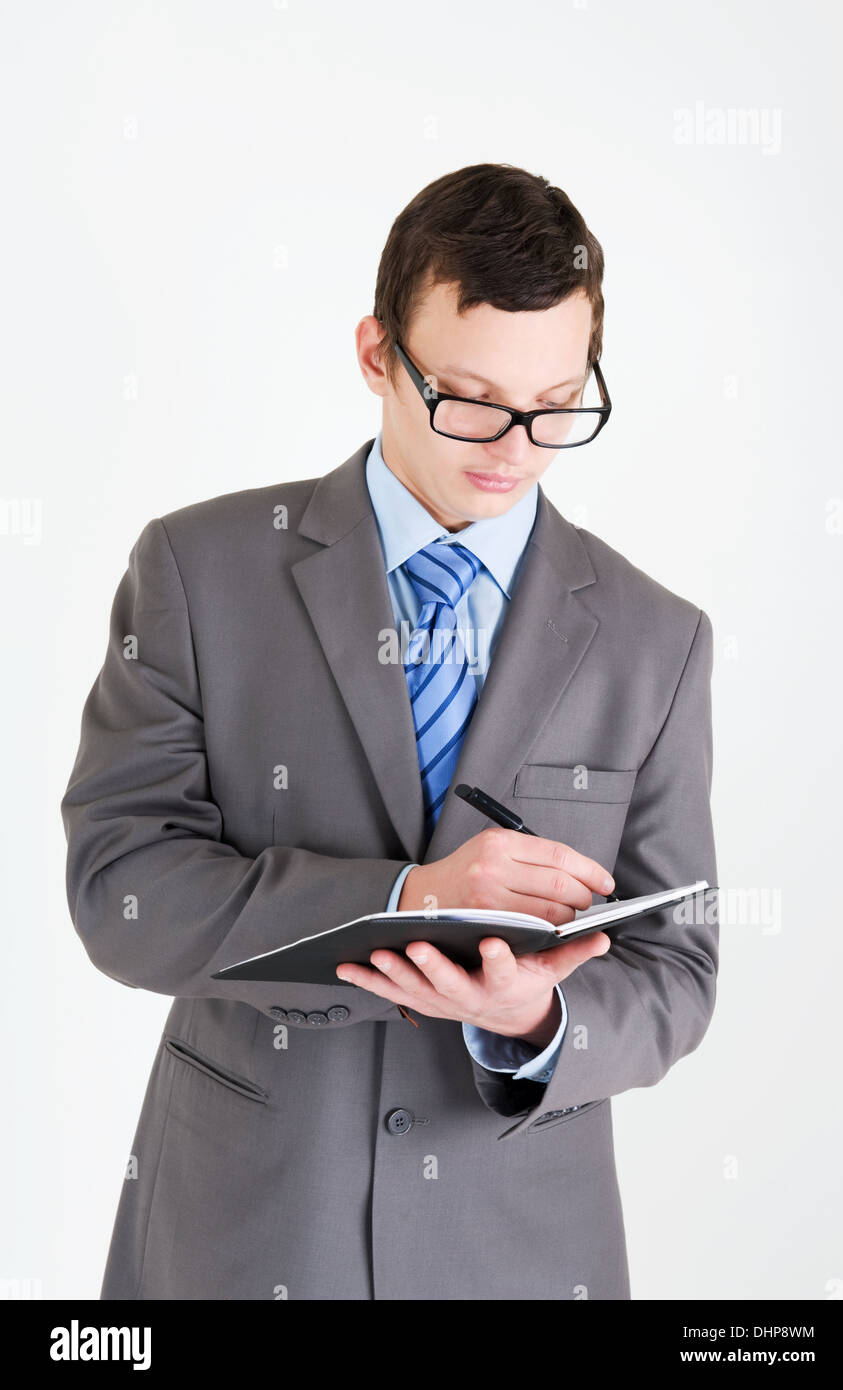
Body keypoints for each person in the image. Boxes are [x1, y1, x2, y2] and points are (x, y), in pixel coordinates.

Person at [61, 162, 719, 1301]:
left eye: (557, 403)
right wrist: (405, 899)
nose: (513, 445)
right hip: (248, 1230)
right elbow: (122, 890)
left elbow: (679, 967)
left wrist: (537, 1019)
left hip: (520, 1254)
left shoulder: (656, 638)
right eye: (468, 397)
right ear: (377, 354)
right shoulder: (198, 571)